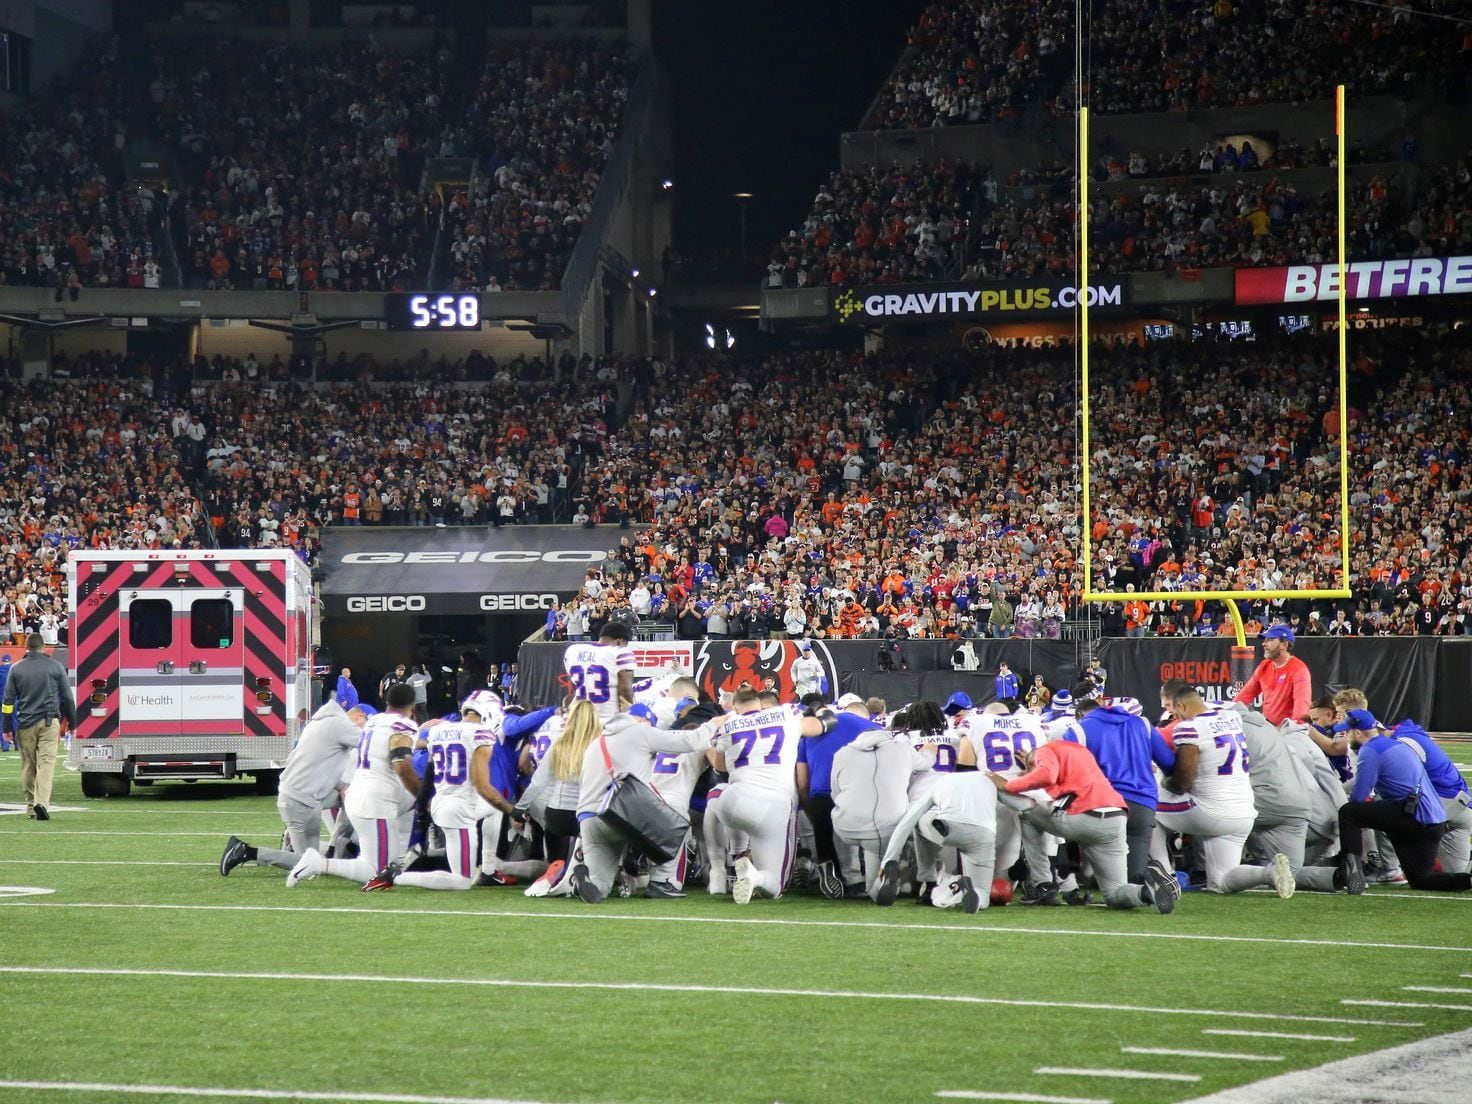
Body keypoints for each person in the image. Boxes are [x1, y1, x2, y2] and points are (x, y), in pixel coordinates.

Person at [989, 739, 1180, 913]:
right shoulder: (1080, 751)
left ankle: (1043, 885)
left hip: (1084, 814)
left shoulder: (1045, 751)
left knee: (1027, 814)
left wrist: (1009, 785)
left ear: (1031, 762)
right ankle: (1146, 892)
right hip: (1115, 819)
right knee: (1114, 895)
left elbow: (1046, 775)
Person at [363, 692, 519, 891]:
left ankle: (489, 869)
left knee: (492, 809)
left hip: (442, 802)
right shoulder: (481, 735)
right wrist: (512, 810)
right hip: (459, 810)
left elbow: (429, 774)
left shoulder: (439, 730)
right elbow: (484, 788)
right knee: (462, 881)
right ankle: (398, 876)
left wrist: (421, 808)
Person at [568, 707, 718, 904]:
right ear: (641, 719)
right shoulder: (640, 732)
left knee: (600, 887)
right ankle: (662, 881)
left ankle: (586, 883)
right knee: (676, 822)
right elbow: (690, 741)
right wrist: (715, 723)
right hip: (622, 815)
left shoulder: (596, 743)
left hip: (588, 819)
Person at [220, 699, 375, 875]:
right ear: (359, 716)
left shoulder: (320, 723)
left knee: (353, 796)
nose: (364, 729)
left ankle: (335, 850)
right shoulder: (340, 726)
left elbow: (317, 764)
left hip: (298, 794)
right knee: (310, 865)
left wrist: (342, 786)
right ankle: (247, 852)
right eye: (366, 724)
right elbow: (372, 744)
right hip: (301, 800)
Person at [710, 687, 836, 904]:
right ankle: (755, 876)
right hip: (773, 806)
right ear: (760, 703)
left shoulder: (728, 723)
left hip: (733, 801)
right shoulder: (786, 713)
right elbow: (823, 724)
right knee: (774, 887)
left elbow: (720, 766)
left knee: (716, 793)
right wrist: (821, 713)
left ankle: (722, 866)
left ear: (736, 706)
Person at [286, 683, 420, 887]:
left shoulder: (374, 721)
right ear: (413, 707)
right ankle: (318, 863)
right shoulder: (403, 726)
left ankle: (322, 861)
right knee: (377, 870)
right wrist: (422, 795)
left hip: (357, 795)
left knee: (386, 865)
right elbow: (402, 765)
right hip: (375, 803)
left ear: (387, 701)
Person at [1334, 687, 1472, 874]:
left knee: (1382, 805)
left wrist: (1339, 792)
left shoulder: (1395, 744)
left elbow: (1389, 787)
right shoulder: (1398, 735)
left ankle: (1390, 870)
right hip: (1460, 807)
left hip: (1442, 805)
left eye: (1341, 716)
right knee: (1459, 875)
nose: (1339, 723)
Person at [1155, 679, 1259, 893]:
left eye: (1175, 711)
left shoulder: (1189, 728)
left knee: (1147, 809)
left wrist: (1166, 781)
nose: (1176, 718)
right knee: (1221, 883)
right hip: (1244, 812)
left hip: (1210, 810)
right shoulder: (1232, 717)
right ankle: (1268, 873)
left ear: (1182, 706)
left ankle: (1164, 877)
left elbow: (1182, 782)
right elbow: (1221, 706)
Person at [1064, 684, 1175, 883]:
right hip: (1142, 802)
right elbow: (1169, 764)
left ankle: (1079, 877)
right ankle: (1145, 881)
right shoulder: (1142, 724)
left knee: (1106, 880)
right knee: (1133, 879)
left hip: (1102, 805)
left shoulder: (1078, 730)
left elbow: (1069, 775)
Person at [830, 727, 932, 902]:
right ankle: (886, 879)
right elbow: (927, 762)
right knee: (875, 888)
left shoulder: (842, 753)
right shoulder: (902, 748)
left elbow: (835, 792)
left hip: (846, 828)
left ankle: (851, 878)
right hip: (884, 831)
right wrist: (931, 746)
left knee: (839, 814)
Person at [796, 692, 880, 898]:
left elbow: (802, 782)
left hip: (820, 793)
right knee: (866, 837)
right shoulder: (874, 730)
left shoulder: (811, 733)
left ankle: (828, 866)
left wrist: (810, 809)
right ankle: (858, 880)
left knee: (824, 832)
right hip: (857, 792)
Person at [1, 633, 76, 820]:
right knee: (46, 764)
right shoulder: (56, 666)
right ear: (43, 647)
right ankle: (41, 802)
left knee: (28, 765)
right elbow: (67, 697)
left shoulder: (16, 669)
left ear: (26, 647)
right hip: (49, 722)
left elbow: (8, 701)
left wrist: (6, 726)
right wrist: (72, 723)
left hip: (25, 723)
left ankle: (30, 806)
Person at [1234, 624, 1311, 725]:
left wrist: (1293, 730)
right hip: (1269, 729)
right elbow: (1243, 696)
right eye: (1265, 640)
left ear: (1284, 645)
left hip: (1288, 731)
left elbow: (1302, 705)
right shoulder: (1264, 665)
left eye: (1270, 640)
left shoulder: (1299, 669)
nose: (1264, 644)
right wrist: (1228, 712)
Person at [564, 622, 635, 722]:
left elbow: (573, 686)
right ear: (620, 641)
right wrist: (632, 714)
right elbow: (625, 691)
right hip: (607, 720)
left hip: (579, 719)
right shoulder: (620, 652)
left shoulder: (573, 651)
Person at [0, 653, 13, 751]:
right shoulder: (15, 669)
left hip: (3, 700)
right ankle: (18, 745)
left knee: (3, 721)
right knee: (16, 721)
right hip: (15, 699)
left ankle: (5, 745)